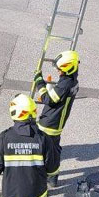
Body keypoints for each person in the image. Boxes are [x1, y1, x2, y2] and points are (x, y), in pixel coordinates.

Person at [33, 49, 80, 187]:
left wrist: (39, 82)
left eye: (60, 69)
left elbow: (48, 99)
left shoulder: (65, 84)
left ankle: (41, 178)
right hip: (57, 123)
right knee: (54, 150)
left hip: (50, 123)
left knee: (42, 152)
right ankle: (53, 177)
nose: (58, 71)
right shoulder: (72, 81)